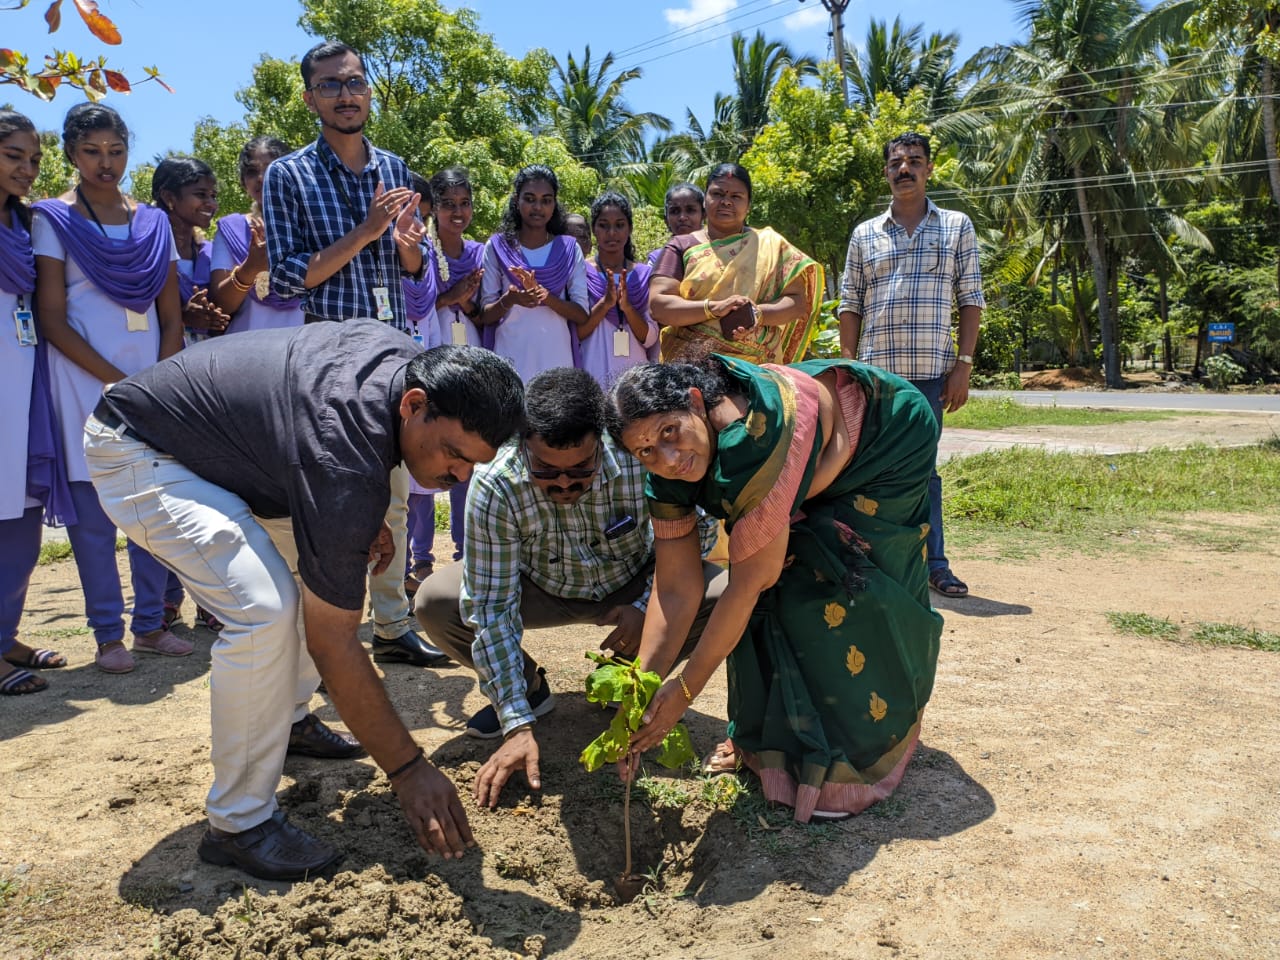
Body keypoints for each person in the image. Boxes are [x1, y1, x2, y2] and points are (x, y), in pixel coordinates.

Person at [84, 330, 525, 879]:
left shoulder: (408, 371)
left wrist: (355, 522)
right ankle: (238, 823)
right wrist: (409, 769)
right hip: (145, 449)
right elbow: (333, 641)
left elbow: (343, 446)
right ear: (414, 405)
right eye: (454, 457)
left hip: (235, 456)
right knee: (264, 609)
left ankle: (287, 721)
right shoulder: (343, 453)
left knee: (320, 585)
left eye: (473, 467)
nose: (457, 478)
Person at [607, 355, 943, 823]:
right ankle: (764, 747)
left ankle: (860, 749)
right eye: (645, 451)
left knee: (836, 577)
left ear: (697, 402)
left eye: (671, 431)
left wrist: (682, 693)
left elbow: (748, 584)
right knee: (776, 579)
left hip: (883, 440)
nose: (668, 459)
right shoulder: (666, 474)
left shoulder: (756, 442)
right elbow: (677, 590)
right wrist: (640, 690)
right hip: (806, 463)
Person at [416, 367, 723, 809]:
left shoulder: (641, 457)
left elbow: (703, 536)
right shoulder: (497, 483)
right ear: (522, 448)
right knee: (438, 600)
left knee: (724, 591)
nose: (564, 484)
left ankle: (626, 677)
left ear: (601, 443)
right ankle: (528, 691)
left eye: (580, 471)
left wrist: (643, 605)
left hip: (633, 588)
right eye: (546, 472)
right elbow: (491, 607)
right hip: (541, 590)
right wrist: (516, 725)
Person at [262, 39, 444, 666]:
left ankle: (393, 627)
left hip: (395, 357)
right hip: (328, 362)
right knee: (336, 500)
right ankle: (324, 638)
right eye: (331, 85)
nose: (346, 94)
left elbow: (421, 277)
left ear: (369, 91)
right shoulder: (289, 175)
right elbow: (286, 278)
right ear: (311, 98)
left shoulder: (396, 169)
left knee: (393, 494)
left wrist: (411, 247)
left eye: (355, 82)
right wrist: (365, 232)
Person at [33, 102, 193, 674]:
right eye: (92, 152)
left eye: (117, 151)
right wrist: (118, 380)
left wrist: (157, 381)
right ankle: (107, 636)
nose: (107, 163)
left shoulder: (152, 222)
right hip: (82, 385)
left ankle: (150, 625)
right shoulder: (50, 219)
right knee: (95, 523)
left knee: (150, 512)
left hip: (151, 390)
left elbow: (171, 315)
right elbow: (52, 318)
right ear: (71, 154)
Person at [837, 132, 984, 600]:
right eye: (896, 162)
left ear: (929, 169)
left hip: (930, 378)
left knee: (925, 473)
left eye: (914, 161)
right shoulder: (864, 234)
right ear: (886, 172)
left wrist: (963, 365)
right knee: (868, 472)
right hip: (876, 379)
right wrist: (847, 368)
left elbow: (971, 299)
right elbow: (849, 305)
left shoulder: (957, 227)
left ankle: (935, 565)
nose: (905, 169)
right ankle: (873, 563)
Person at [0, 108, 74, 696]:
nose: (26, 170)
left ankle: (5, 636)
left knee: (21, 516)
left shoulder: (24, 228)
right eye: (13, 157)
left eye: (33, 160)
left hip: (23, 380)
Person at [649, 163, 823, 366]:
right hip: (692, 366)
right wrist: (714, 308)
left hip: (757, 369)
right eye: (718, 194)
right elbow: (658, 306)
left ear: (748, 205)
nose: (726, 202)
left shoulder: (771, 245)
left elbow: (797, 303)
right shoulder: (681, 245)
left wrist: (757, 314)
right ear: (705, 200)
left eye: (736, 196)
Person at [424, 166, 485, 564]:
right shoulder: (423, 250)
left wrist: (468, 301)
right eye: (448, 205)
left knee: (466, 453)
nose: (457, 212)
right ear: (434, 209)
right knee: (427, 458)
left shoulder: (481, 253)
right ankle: (420, 557)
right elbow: (416, 303)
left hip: (473, 359)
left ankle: (466, 552)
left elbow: (487, 313)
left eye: (464, 204)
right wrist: (451, 296)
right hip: (433, 355)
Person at [478, 165, 589, 382]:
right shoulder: (498, 246)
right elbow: (486, 315)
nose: (538, 207)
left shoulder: (568, 248)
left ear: (554, 204)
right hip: (509, 359)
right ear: (516, 200)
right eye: (529, 199)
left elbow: (581, 314)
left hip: (557, 361)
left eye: (546, 200)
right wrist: (510, 299)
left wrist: (544, 296)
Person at [210, 136, 304, 335]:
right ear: (243, 182)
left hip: (304, 352)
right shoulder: (232, 229)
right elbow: (220, 307)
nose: (261, 178)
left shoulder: (313, 226)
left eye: (271, 168)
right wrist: (250, 268)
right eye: (252, 172)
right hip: (246, 353)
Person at [578, 192, 658, 389]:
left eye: (619, 225)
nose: (612, 233)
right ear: (594, 229)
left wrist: (628, 308)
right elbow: (576, 333)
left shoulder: (644, 275)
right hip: (591, 374)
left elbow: (650, 338)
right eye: (603, 225)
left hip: (634, 380)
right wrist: (605, 304)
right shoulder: (580, 272)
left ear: (629, 228)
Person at [152, 156, 230, 347]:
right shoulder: (148, 252)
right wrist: (184, 316)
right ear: (169, 197)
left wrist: (213, 318)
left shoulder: (212, 254)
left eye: (213, 196)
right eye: (201, 194)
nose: (212, 204)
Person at [645, 181, 704, 360]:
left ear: (704, 214)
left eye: (690, 210)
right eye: (675, 211)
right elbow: (657, 312)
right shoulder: (657, 260)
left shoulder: (720, 254)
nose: (682, 217)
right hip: (671, 350)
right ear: (666, 217)